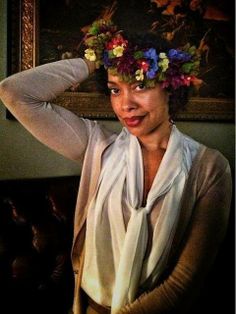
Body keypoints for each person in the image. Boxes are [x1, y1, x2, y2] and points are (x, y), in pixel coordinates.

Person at [0, 17, 232, 314]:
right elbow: (15, 92)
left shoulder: (210, 167)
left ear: (170, 88)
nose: (126, 104)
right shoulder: (98, 147)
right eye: (114, 89)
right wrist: (96, 59)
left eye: (139, 85)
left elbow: (183, 282)